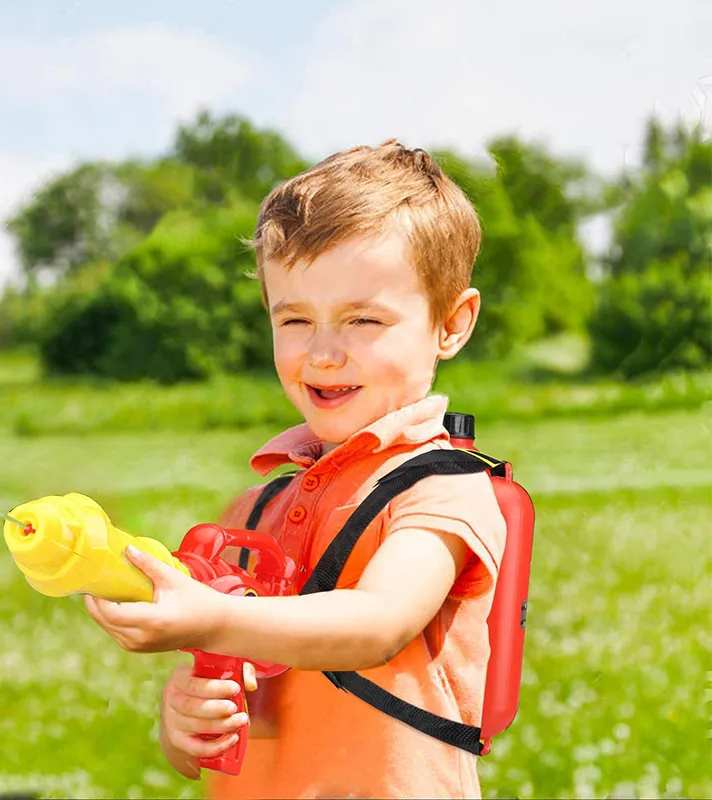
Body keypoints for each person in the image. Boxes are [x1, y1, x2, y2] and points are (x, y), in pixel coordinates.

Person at [84, 139, 507, 799]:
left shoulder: (443, 487)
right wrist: (186, 720)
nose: (324, 352)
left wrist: (208, 618)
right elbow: (253, 695)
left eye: (363, 319)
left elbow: (377, 624)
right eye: (296, 319)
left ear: (451, 324)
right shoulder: (253, 511)